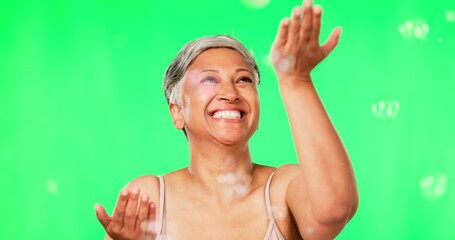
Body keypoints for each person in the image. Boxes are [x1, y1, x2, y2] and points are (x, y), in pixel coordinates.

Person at [95, 0, 358, 239]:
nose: (230, 93)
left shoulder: (283, 189)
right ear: (177, 112)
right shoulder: (149, 197)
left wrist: (296, 80)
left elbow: (334, 210)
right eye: (209, 79)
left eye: (243, 79)